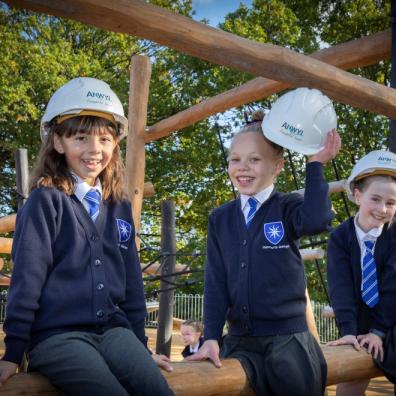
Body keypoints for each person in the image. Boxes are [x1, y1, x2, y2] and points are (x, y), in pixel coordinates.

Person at [0, 77, 174, 396]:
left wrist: (141, 347)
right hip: (58, 336)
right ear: (57, 143)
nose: (95, 150)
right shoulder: (45, 201)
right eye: (81, 138)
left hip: (114, 332)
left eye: (105, 139)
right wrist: (13, 353)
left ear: (115, 144)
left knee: (157, 390)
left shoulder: (119, 206)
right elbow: (27, 278)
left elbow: (132, 283)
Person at [187, 108, 341, 396]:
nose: (242, 167)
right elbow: (216, 282)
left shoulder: (288, 207)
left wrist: (316, 164)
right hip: (239, 341)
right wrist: (210, 337)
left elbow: (317, 218)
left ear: (278, 166)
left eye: (254, 160)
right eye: (235, 160)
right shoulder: (220, 218)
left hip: (288, 341)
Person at [327, 150, 396, 395]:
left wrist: (378, 331)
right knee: (350, 380)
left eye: (391, 203)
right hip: (356, 321)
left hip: (391, 319)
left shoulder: (393, 235)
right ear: (357, 196)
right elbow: (340, 288)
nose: (383, 209)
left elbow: (392, 285)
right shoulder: (340, 238)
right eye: (375, 199)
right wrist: (349, 332)